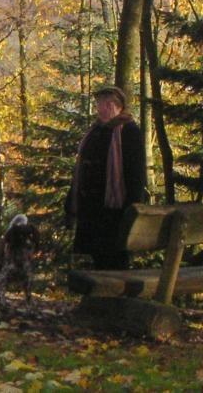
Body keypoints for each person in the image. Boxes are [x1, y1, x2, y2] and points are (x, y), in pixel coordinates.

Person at [65, 85, 146, 270]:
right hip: (92, 212)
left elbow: (136, 176)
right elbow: (80, 171)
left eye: (105, 105)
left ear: (116, 107)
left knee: (116, 262)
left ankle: (114, 298)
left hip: (115, 214)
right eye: (100, 104)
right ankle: (101, 297)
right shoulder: (95, 132)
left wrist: (132, 211)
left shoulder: (129, 131)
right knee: (98, 262)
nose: (100, 109)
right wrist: (72, 203)